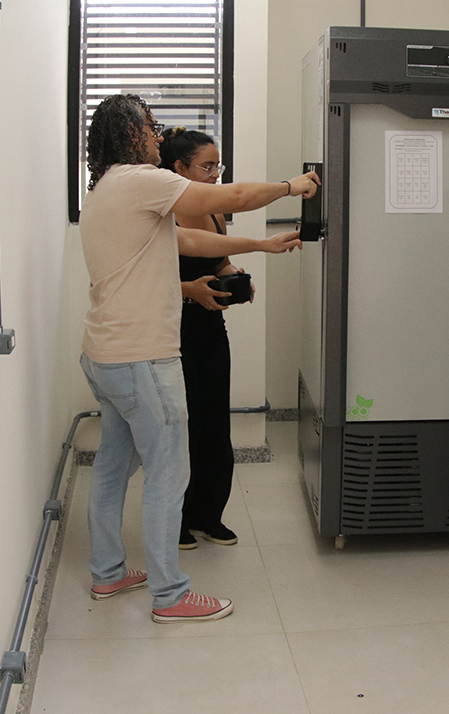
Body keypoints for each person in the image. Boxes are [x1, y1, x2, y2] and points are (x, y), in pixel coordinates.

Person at [78, 94, 318, 624]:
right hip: (142, 357)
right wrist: (290, 187)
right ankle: (170, 595)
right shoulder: (142, 180)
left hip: (105, 354)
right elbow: (225, 194)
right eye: (150, 127)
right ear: (131, 133)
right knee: (169, 471)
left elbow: (183, 237)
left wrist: (260, 246)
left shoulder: (104, 191)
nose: (158, 137)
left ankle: (108, 572)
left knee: (114, 467)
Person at [158, 126, 300, 550]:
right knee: (183, 427)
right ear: (179, 168)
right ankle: (177, 520)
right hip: (173, 330)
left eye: (218, 165)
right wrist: (191, 290)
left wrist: (233, 278)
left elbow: (217, 257)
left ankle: (208, 515)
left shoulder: (214, 211)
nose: (215, 174)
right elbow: (152, 277)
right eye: (207, 166)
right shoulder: (163, 210)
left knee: (215, 421)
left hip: (209, 329)